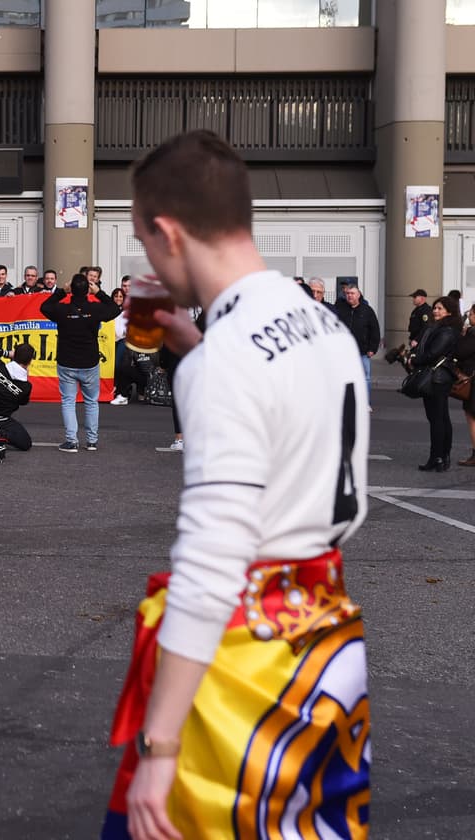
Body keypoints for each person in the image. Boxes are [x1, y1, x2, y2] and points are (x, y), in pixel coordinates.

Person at [104, 130, 370, 840]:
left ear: (167, 231)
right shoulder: (324, 323)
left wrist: (160, 746)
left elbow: (211, 561)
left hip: (244, 653)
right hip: (326, 630)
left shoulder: (224, 361)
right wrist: (198, 349)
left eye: (145, 241)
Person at [40, 273, 121, 452]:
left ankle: (72, 440)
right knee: (91, 401)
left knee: (68, 401)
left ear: (71, 290)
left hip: (67, 361)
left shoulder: (62, 310)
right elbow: (115, 309)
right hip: (89, 361)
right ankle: (92, 441)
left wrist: (62, 291)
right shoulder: (95, 309)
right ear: (88, 290)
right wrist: (99, 293)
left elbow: (44, 307)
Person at [412, 296, 462, 472]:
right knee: (438, 418)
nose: (435, 311)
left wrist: (415, 360)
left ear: (449, 311)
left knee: (438, 419)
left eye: (440, 308)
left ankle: (438, 457)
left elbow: (432, 353)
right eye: (434, 308)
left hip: (438, 378)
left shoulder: (447, 330)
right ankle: (440, 456)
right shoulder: (438, 327)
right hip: (437, 377)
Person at [335, 283, 381, 408]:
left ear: (358, 294)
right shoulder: (340, 309)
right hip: (343, 352)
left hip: (362, 351)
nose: (349, 296)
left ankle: (365, 403)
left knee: (365, 378)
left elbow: (375, 330)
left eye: (352, 293)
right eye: (347, 294)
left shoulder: (367, 311)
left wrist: (373, 348)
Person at [456, 306, 475, 467]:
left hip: (472, 379)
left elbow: (460, 352)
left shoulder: (473, 333)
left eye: (472, 313)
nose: (469, 315)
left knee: (471, 416)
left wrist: (463, 334)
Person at [111, 287, 131, 406]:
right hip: (109, 341)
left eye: (120, 297)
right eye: (116, 296)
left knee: (118, 365)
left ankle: (121, 392)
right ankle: (113, 389)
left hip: (123, 340)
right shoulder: (108, 309)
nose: (118, 299)